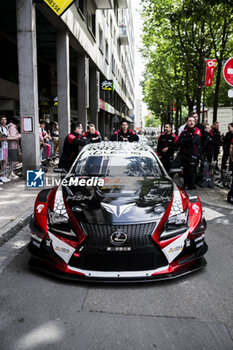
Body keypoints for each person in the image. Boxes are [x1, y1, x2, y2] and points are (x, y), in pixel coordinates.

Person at [178, 115, 201, 190]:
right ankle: (185, 185)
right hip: (184, 155)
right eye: (190, 121)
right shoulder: (184, 131)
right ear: (187, 122)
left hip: (192, 155)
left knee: (191, 171)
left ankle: (191, 186)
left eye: (193, 121)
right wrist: (189, 140)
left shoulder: (197, 130)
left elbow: (194, 141)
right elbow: (179, 141)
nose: (192, 122)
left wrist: (185, 140)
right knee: (185, 171)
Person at [0, 115, 10, 183]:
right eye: (2, 119)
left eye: (5, 119)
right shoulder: (0, 128)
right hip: (1, 147)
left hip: (6, 146)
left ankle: (3, 175)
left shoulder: (6, 127)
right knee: (1, 162)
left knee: (5, 161)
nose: (4, 121)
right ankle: (1, 176)